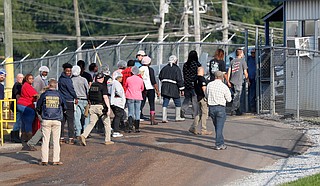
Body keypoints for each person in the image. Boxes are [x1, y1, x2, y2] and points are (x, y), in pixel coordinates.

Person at [37, 79, 66, 166]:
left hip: (46, 119)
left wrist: (41, 113)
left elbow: (38, 106)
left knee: (45, 140)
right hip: (57, 120)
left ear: (49, 85)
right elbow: (64, 105)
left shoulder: (44, 94)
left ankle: (44, 160)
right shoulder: (59, 94)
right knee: (56, 141)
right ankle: (56, 160)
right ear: (56, 86)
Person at [79, 73, 113, 146]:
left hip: (92, 106)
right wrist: (108, 108)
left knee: (91, 123)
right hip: (100, 107)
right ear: (102, 78)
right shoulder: (102, 86)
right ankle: (107, 140)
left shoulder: (91, 86)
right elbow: (105, 97)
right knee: (107, 124)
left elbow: (89, 96)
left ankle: (84, 135)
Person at [207, 71, 232, 150]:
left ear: (215, 77)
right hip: (220, 107)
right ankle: (219, 144)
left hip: (211, 107)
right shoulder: (224, 86)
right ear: (222, 77)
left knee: (217, 127)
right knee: (219, 127)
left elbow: (206, 95)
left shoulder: (209, 85)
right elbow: (229, 99)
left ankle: (221, 142)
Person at [159, 55, 185, 123]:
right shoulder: (177, 69)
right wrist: (182, 89)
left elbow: (160, 76)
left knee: (165, 102)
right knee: (177, 102)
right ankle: (177, 117)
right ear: (175, 61)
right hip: (174, 88)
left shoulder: (164, 68)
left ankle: (164, 118)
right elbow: (179, 79)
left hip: (165, 87)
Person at [188, 67, 213, 135]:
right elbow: (204, 89)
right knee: (205, 113)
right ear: (202, 71)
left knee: (198, 114)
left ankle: (193, 127)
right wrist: (207, 97)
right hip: (202, 98)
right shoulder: (202, 79)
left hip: (197, 97)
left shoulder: (195, 79)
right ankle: (203, 129)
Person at [58, 63, 78, 144]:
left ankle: (61, 138)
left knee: (62, 120)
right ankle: (71, 138)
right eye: (67, 71)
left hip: (62, 101)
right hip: (69, 101)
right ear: (64, 70)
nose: (69, 72)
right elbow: (71, 89)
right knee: (70, 121)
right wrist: (75, 97)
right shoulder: (67, 79)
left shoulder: (60, 79)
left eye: (70, 71)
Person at [17, 74, 38, 149]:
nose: (31, 80)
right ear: (26, 79)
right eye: (30, 78)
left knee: (24, 122)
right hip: (27, 105)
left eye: (32, 78)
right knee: (29, 122)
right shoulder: (27, 86)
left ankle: (24, 139)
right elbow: (35, 95)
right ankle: (30, 142)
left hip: (20, 105)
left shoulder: (24, 85)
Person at [227, 49, 249, 116]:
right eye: (243, 53)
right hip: (238, 81)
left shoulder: (232, 61)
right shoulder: (243, 61)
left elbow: (229, 71)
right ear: (241, 54)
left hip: (232, 80)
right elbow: (245, 72)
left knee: (237, 95)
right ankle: (233, 110)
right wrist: (248, 79)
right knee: (237, 96)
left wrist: (228, 81)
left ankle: (237, 110)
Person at [139, 56, 160, 125]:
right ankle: (152, 119)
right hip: (150, 88)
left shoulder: (139, 69)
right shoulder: (150, 69)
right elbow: (153, 81)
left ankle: (137, 117)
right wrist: (157, 90)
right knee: (151, 104)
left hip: (142, 88)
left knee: (141, 103)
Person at [181, 50, 202, 118]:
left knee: (187, 98)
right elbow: (198, 73)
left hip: (187, 83)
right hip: (194, 84)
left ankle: (183, 109)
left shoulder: (186, 64)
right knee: (194, 99)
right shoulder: (196, 64)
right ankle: (194, 114)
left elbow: (184, 74)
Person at [124, 66, 144, 133]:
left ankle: (130, 127)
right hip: (138, 97)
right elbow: (142, 88)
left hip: (130, 96)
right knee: (137, 112)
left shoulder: (128, 79)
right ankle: (137, 128)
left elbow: (126, 86)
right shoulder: (140, 79)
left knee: (130, 112)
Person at [71, 65, 89, 139]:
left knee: (76, 117)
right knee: (86, 116)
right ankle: (85, 132)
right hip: (84, 100)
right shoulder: (84, 80)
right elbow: (87, 90)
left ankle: (78, 132)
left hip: (75, 100)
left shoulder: (71, 80)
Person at [110, 71, 125, 137]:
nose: (122, 79)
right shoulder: (116, 83)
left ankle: (112, 128)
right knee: (118, 116)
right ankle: (115, 131)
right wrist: (122, 96)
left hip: (114, 102)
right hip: (117, 102)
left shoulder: (113, 83)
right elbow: (119, 92)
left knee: (117, 115)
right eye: (121, 77)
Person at [10, 73, 24, 143]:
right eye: (20, 78)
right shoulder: (17, 85)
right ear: (17, 78)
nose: (22, 79)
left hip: (17, 105)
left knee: (19, 121)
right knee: (18, 121)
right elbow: (17, 95)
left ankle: (15, 136)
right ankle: (14, 137)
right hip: (16, 106)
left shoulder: (20, 85)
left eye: (22, 77)